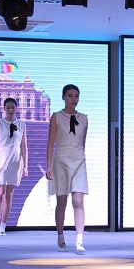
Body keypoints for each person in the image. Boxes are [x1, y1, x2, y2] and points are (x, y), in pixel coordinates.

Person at [46, 84, 88, 254]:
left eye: (76, 96)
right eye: (70, 96)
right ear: (63, 97)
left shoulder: (84, 118)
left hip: (79, 161)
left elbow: (82, 143)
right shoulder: (56, 117)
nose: (73, 99)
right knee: (61, 202)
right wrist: (49, 165)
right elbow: (51, 143)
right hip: (60, 162)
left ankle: (79, 240)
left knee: (78, 201)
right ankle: (61, 238)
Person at [0, 97, 29, 236]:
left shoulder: (22, 125)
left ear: (16, 108)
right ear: (4, 109)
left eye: (13, 107)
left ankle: (3, 226)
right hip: (1, 160)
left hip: (15, 161)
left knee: (9, 196)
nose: (10, 110)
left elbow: (24, 147)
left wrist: (26, 166)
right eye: (8, 107)